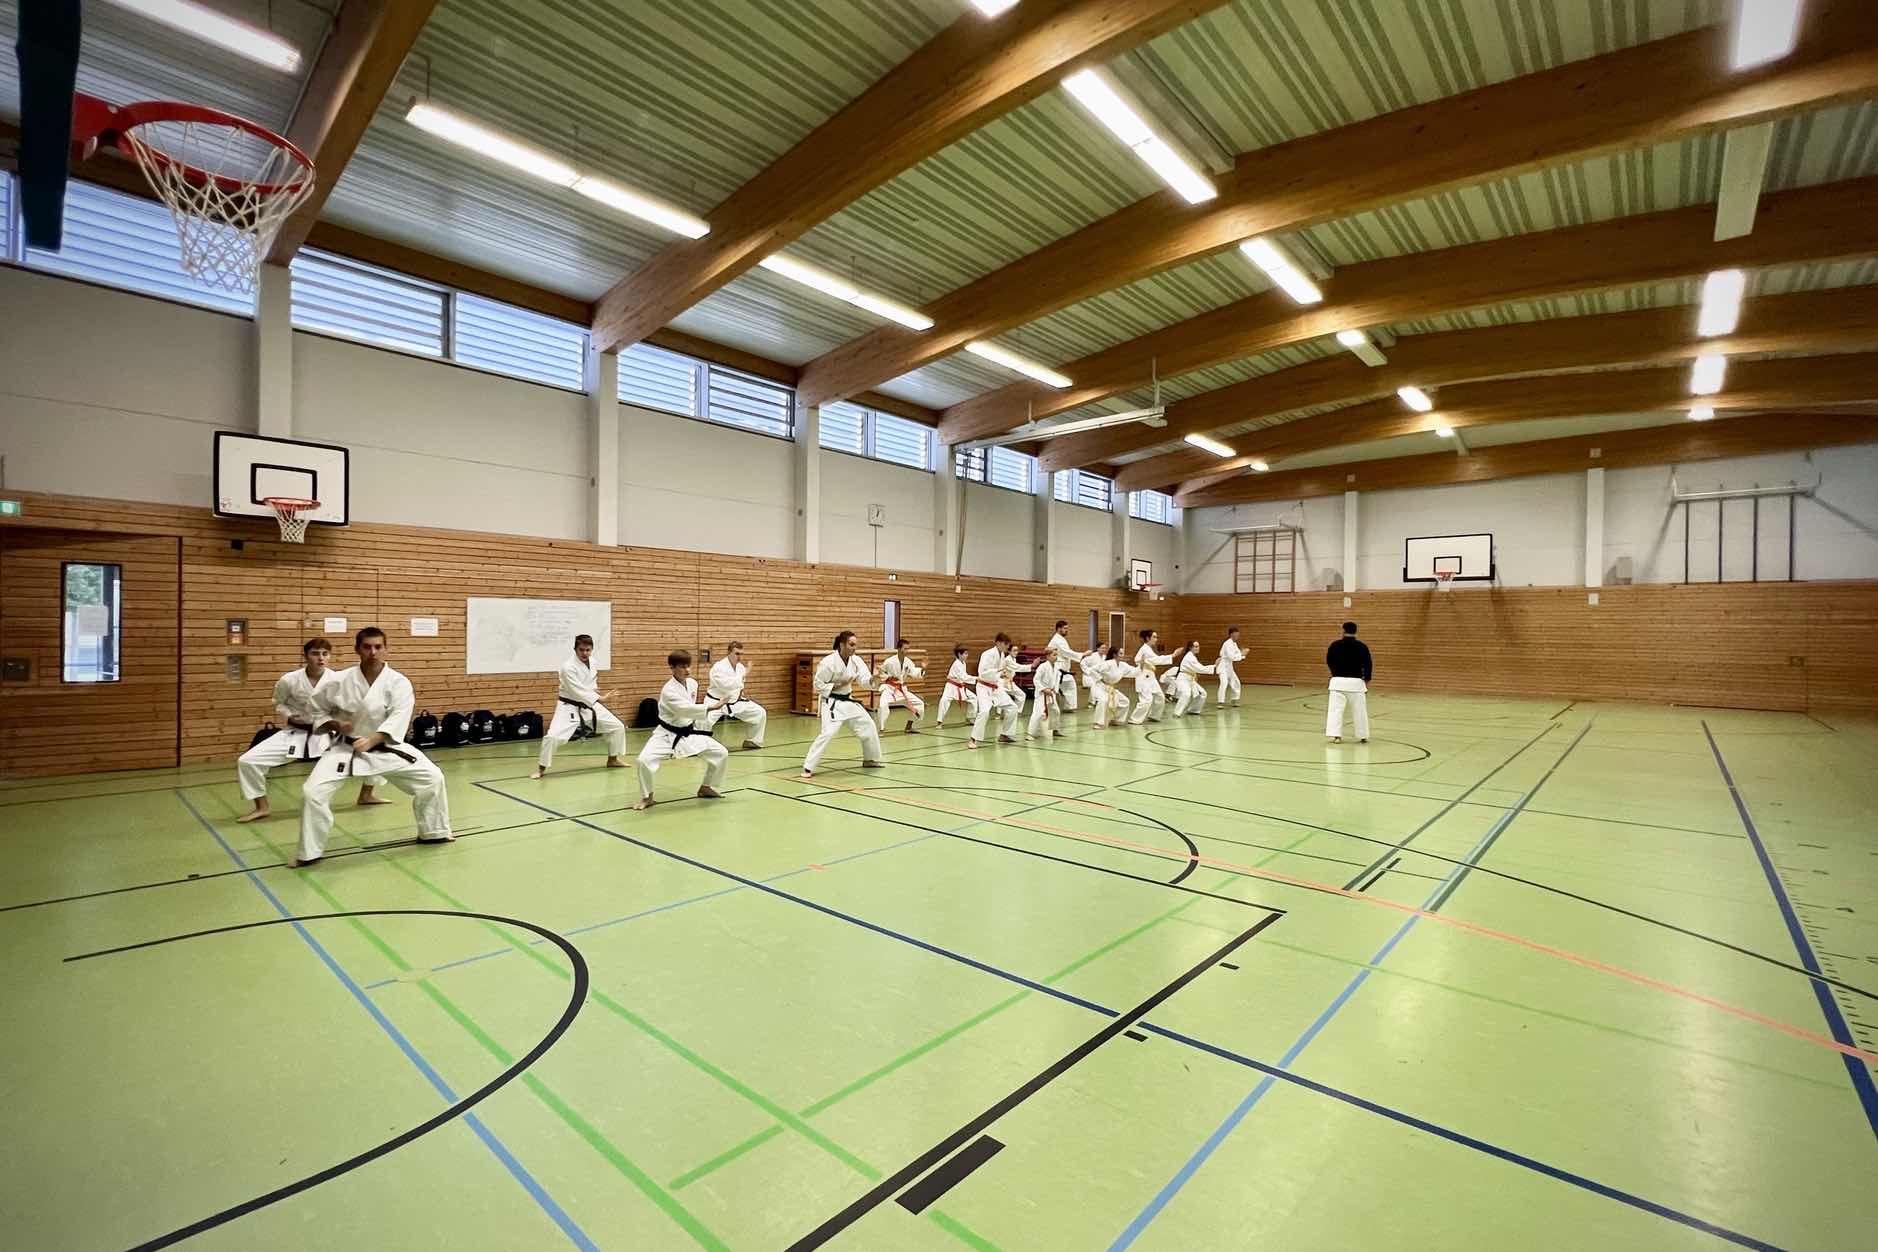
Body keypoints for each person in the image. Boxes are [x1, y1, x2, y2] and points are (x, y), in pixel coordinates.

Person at [296, 627, 451, 867]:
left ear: (386, 649)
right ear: (357, 649)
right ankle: (309, 853)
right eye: (367, 647)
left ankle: (434, 832)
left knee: (432, 778)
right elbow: (315, 709)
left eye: (378, 647)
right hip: (346, 748)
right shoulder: (339, 680)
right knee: (312, 792)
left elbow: (399, 716)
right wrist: (334, 724)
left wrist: (372, 739)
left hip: (385, 746)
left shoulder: (398, 682)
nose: (373, 652)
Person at [235, 637, 386, 822]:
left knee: (375, 750)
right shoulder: (289, 680)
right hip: (297, 733)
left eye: (325, 654)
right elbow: (279, 702)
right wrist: (289, 716)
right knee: (247, 761)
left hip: (330, 734)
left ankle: (366, 795)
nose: (320, 658)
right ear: (305, 656)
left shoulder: (339, 680)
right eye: (315, 653)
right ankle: (261, 807)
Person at [635, 650, 729, 808]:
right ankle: (647, 797)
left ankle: (706, 787)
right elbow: (685, 709)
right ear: (672, 668)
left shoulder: (692, 684)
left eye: (688, 666)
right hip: (666, 734)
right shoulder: (669, 690)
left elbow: (689, 710)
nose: (687, 670)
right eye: (682, 667)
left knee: (721, 753)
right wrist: (712, 707)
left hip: (688, 732)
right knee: (644, 761)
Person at [533, 633, 627, 779]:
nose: (585, 653)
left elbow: (589, 683)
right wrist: (600, 698)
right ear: (575, 649)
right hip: (569, 706)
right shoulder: (568, 667)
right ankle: (541, 769)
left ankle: (613, 760)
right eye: (581, 650)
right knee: (552, 737)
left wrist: (594, 690)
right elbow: (576, 690)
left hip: (588, 704)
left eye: (588, 650)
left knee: (617, 727)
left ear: (592, 649)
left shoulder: (593, 662)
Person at [801, 631, 884, 779]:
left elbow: (865, 681)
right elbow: (818, 685)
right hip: (831, 703)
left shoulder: (856, 661)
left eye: (855, 645)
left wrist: (875, 677)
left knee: (868, 725)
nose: (854, 648)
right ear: (842, 645)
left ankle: (870, 759)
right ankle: (808, 767)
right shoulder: (828, 663)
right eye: (851, 644)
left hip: (847, 701)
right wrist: (839, 684)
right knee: (828, 733)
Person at [705, 640, 767, 749]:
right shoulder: (718, 667)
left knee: (760, 713)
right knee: (703, 721)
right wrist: (745, 674)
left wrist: (741, 694)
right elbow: (725, 685)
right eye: (737, 654)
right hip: (716, 702)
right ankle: (698, 744)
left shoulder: (740, 667)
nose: (739, 657)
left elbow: (739, 686)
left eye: (741, 654)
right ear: (729, 652)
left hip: (734, 702)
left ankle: (753, 741)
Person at [969, 633, 1021, 748]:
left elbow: (1001, 671)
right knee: (984, 712)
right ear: (998, 642)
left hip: (995, 687)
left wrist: (1002, 674)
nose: (1007, 647)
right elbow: (982, 673)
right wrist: (998, 672)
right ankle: (973, 739)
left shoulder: (1002, 655)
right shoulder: (987, 654)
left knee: (1012, 707)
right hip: (983, 687)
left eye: (1008, 644)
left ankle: (1005, 734)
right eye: (1005, 644)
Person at [1326, 620, 1373, 744]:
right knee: (1359, 711)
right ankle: (1363, 735)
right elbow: (1368, 664)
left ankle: (1336, 736)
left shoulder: (1334, 645)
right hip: (1356, 683)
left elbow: (1329, 661)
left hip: (1337, 682)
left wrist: (1335, 673)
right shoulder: (1362, 646)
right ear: (1356, 632)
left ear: (1343, 631)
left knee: (1335, 710)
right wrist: (1367, 679)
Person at [876, 639, 926, 734]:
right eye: (905, 648)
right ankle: (882, 729)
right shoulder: (889, 661)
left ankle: (909, 727)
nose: (907, 651)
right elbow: (881, 671)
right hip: (890, 689)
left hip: (902, 690)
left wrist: (922, 668)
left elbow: (914, 673)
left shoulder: (908, 662)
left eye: (908, 649)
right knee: (883, 705)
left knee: (920, 704)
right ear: (899, 649)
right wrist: (888, 677)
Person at [1129, 629, 1174, 725]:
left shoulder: (1148, 649)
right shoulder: (1145, 649)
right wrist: (1172, 655)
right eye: (1154, 637)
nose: (1156, 639)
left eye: (1156, 637)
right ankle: (1134, 719)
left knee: (1160, 696)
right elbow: (1156, 660)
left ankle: (1154, 716)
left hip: (1150, 677)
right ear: (1147, 638)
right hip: (1143, 676)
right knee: (1147, 700)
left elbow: (1153, 660)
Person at [1044, 619, 1081, 718]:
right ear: (1058, 629)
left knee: (1069, 686)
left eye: (1067, 628)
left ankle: (1068, 707)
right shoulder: (1057, 640)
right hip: (1057, 669)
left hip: (1062, 670)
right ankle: (1050, 707)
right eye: (1065, 628)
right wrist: (1082, 655)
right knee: (1055, 689)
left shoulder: (1060, 639)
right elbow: (1066, 652)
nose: (1066, 630)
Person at [935, 645, 978, 727]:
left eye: (967, 653)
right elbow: (964, 677)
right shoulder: (957, 664)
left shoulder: (963, 663)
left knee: (973, 698)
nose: (967, 655)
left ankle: (970, 718)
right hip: (951, 686)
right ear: (959, 654)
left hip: (960, 686)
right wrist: (977, 679)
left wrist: (975, 679)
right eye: (965, 653)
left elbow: (964, 676)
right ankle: (939, 722)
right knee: (944, 701)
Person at [1093, 645, 1134, 729]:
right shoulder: (1108, 663)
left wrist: (1142, 666)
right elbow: (1093, 670)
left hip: (1111, 687)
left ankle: (1116, 719)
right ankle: (1098, 723)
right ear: (1115, 655)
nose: (1123, 655)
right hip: (1100, 686)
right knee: (1103, 700)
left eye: (1123, 653)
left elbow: (1133, 671)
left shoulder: (1123, 665)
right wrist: (1100, 678)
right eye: (1121, 653)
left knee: (1125, 701)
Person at [1027, 652, 1064, 741]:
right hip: (1042, 694)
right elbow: (1036, 679)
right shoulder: (1042, 667)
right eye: (1054, 655)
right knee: (1038, 713)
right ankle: (1030, 734)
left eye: (1056, 655)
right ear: (1048, 656)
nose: (1056, 657)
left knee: (1055, 711)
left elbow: (1057, 679)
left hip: (1051, 692)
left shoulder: (1056, 667)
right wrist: (1043, 689)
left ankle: (1055, 730)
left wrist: (1056, 690)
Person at [1173, 639, 1210, 717]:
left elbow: (1194, 669)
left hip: (1190, 679)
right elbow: (1200, 668)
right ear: (1190, 648)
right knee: (1186, 694)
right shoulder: (1189, 657)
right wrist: (1214, 666)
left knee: (1202, 694)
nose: (1198, 648)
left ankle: (1193, 710)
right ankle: (1177, 713)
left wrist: (1195, 675)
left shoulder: (1192, 656)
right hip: (1183, 679)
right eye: (1195, 646)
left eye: (1198, 646)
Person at [1216, 626, 1246, 707]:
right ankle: (1220, 702)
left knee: (1236, 682)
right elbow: (1231, 657)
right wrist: (1241, 655)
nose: (1237, 636)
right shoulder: (1227, 644)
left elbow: (1237, 653)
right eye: (1236, 635)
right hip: (1222, 666)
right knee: (1224, 683)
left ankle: (1234, 700)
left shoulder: (1234, 644)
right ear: (1231, 634)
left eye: (1238, 635)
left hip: (1229, 666)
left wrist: (1242, 654)